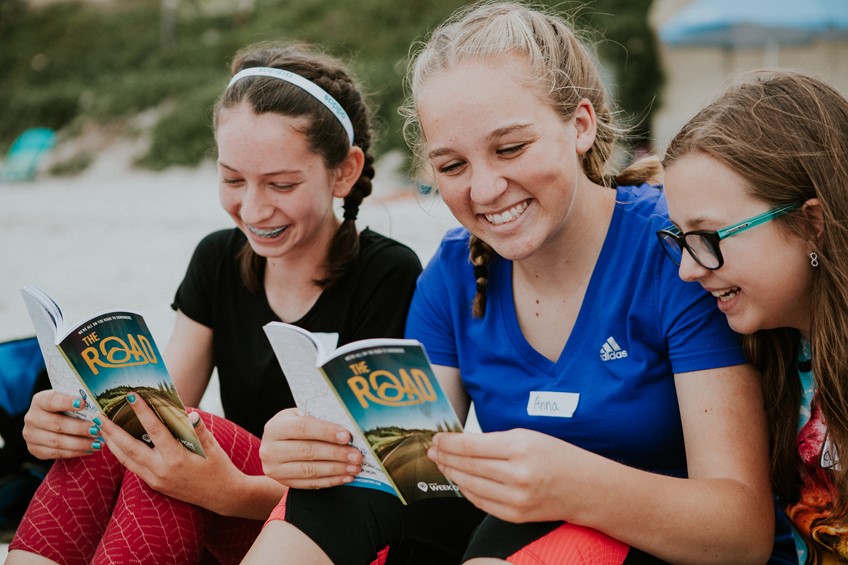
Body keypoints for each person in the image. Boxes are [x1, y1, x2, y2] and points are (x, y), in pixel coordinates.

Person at [244, 3, 777, 564]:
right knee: (330, 496)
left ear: (580, 124)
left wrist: (574, 484)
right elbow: (409, 471)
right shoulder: (452, 273)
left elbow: (743, 532)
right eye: (452, 167)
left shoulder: (674, 255)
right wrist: (316, 452)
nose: (485, 189)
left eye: (511, 148)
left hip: (655, 547)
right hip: (506, 536)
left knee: (556, 537)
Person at [6, 41, 422, 565]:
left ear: (343, 171)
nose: (252, 207)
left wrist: (224, 490)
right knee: (126, 434)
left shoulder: (389, 273)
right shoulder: (217, 259)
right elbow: (157, 411)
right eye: (232, 180)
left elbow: (384, 490)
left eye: (282, 183)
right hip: (235, 517)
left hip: (343, 535)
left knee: (194, 438)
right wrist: (60, 427)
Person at [657, 69, 848, 565]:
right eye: (678, 236)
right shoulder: (780, 350)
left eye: (708, 237)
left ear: (811, 223)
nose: (687, 270)